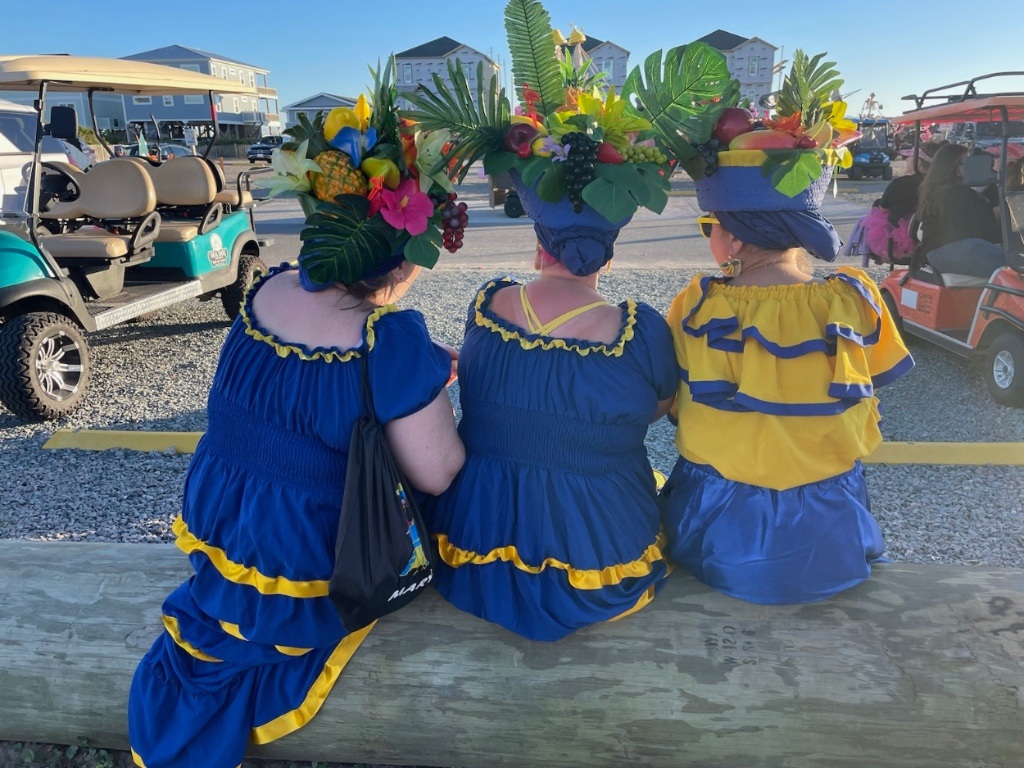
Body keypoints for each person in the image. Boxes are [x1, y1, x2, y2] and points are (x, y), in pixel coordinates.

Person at [127, 68, 465, 768]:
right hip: (300, 551)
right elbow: (437, 472)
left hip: (228, 517)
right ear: (403, 253)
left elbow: (296, 391)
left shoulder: (268, 291)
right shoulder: (387, 339)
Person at [410, 1, 707, 641]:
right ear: (610, 248)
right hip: (594, 549)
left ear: (537, 240)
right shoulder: (638, 330)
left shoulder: (487, 306)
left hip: (477, 543)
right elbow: (657, 409)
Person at [660, 98, 915, 605]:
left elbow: (673, 400)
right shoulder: (853, 298)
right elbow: (870, 389)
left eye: (711, 226)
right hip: (827, 521)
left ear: (733, 240)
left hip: (718, 519)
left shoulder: (698, 304)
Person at [914, 142, 1005, 277]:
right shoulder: (952, 192)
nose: (972, 167)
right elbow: (983, 224)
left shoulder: (949, 189)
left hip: (953, 248)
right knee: (1014, 264)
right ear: (954, 167)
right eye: (967, 163)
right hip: (952, 248)